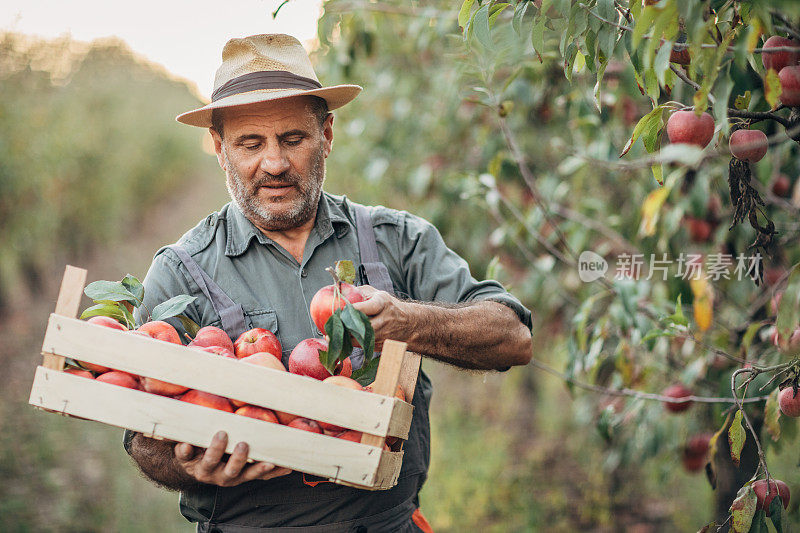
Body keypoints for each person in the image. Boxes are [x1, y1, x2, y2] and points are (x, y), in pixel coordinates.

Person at [125, 34, 533, 532]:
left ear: (327, 134)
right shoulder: (182, 272)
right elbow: (140, 439)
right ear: (218, 147)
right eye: (250, 144)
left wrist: (408, 321)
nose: (273, 163)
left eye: (293, 139)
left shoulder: (394, 240)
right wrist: (188, 465)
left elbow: (513, 337)